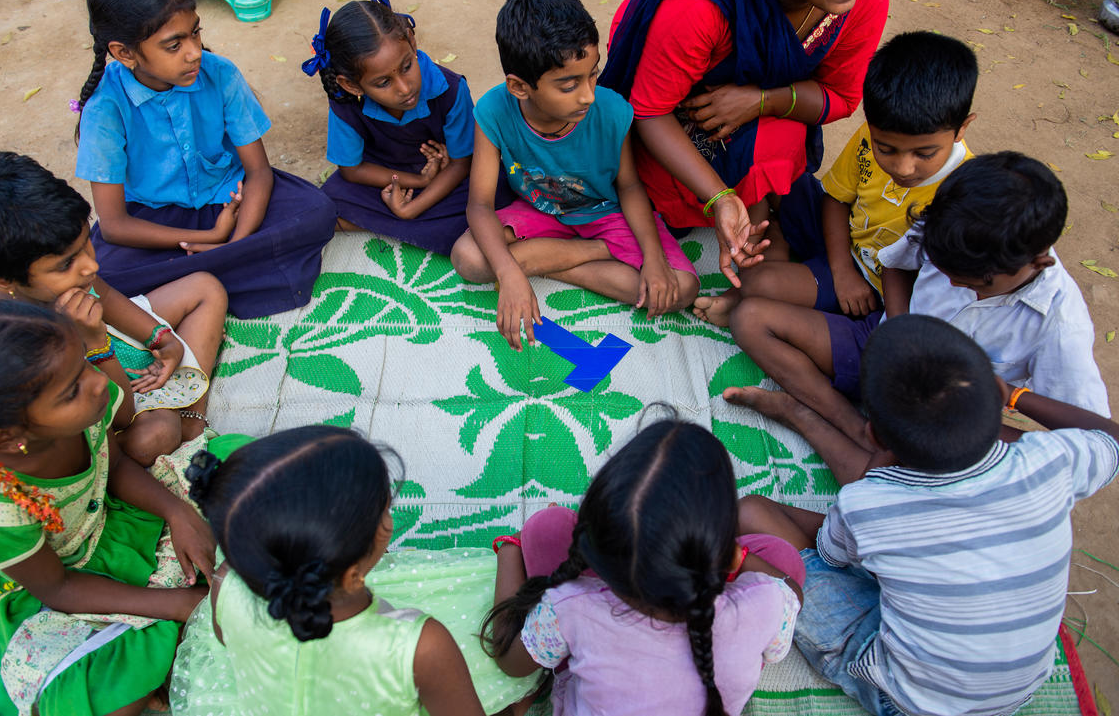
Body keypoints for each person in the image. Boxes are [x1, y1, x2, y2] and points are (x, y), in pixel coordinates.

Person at [729, 315, 1119, 716]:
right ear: (992, 392)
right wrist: (1016, 396)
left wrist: (871, 498)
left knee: (752, 513)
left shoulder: (870, 503)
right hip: (1016, 692)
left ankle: (802, 417)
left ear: (875, 438)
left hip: (906, 699)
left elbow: (830, 557)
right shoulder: (1051, 459)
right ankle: (803, 418)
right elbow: (1112, 438)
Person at [0, 283, 215, 716]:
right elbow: (58, 587)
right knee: (106, 697)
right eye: (72, 389)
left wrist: (177, 512)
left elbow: (114, 467)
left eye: (84, 363)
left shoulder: (83, 408)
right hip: (52, 586)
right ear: (8, 438)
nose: (100, 383)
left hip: (107, 522)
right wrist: (176, 605)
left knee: (238, 491)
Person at [730, 151, 1110, 449]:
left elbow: (1100, 446)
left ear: (1038, 262)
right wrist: (897, 331)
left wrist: (1007, 399)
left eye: (977, 284)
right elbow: (896, 266)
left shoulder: (1059, 323)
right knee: (749, 319)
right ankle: (852, 426)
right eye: (947, 274)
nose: (956, 287)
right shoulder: (950, 220)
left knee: (891, 472)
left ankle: (836, 426)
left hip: (941, 416)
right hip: (886, 350)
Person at [598, 0, 889, 287]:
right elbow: (650, 111)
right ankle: (749, 208)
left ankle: (764, 212)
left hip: (749, 100)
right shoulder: (700, 4)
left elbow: (842, 96)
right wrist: (719, 197)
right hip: (676, 108)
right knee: (649, 200)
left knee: (778, 143)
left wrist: (764, 100)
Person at [170, 425, 537, 716]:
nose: (389, 518)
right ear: (350, 576)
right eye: (383, 512)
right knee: (508, 622)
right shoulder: (422, 645)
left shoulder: (227, 582)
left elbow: (224, 641)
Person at [484, 418, 804, 716]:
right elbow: (791, 594)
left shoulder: (569, 607)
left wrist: (509, 551)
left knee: (546, 527)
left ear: (597, 545)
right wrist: (736, 557)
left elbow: (510, 662)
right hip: (720, 639)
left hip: (593, 631)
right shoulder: (766, 604)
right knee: (785, 559)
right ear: (719, 555)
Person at [74, 0, 337, 319]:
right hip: (155, 224)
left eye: (195, 33)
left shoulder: (220, 73)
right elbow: (117, 225)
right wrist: (211, 239)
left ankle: (195, 282)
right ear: (124, 53)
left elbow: (259, 173)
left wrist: (236, 240)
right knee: (100, 275)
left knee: (316, 211)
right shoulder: (105, 109)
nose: (194, 51)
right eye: (173, 45)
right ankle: (234, 272)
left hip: (232, 202)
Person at [0, 148, 225, 465]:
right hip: (103, 390)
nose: (90, 266)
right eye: (66, 263)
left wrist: (164, 342)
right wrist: (95, 342)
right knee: (153, 439)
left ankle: (191, 410)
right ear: (2, 281)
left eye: (86, 242)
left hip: (112, 340)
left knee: (205, 287)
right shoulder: (17, 343)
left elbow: (108, 298)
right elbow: (120, 417)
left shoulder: (73, 275)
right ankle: (185, 416)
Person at [450, 0, 700, 351]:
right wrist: (509, 276)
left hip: (605, 215)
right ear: (520, 87)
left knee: (681, 288)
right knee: (468, 258)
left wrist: (653, 257)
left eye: (592, 75)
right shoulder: (492, 112)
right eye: (569, 85)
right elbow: (480, 205)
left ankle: (549, 260)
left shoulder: (612, 111)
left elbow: (629, 187)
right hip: (541, 215)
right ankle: (593, 252)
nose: (588, 95)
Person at [694, 31, 977, 326]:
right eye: (886, 149)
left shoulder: (963, 192)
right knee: (776, 173)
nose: (903, 167)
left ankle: (754, 280)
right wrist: (840, 266)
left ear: (962, 128)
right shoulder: (873, 134)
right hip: (839, 241)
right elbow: (836, 198)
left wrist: (845, 277)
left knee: (760, 284)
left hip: (868, 283)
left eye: (924, 153)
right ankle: (780, 241)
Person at [303, 0, 510, 254]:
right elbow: (352, 170)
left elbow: (461, 163)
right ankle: (408, 227)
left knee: (495, 195)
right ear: (353, 86)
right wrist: (418, 182)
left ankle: (385, 225)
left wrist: (411, 209)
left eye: (407, 67)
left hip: (448, 175)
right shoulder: (345, 103)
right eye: (383, 82)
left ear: (412, 42)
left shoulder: (450, 88)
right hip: (386, 178)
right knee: (322, 204)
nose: (404, 88)